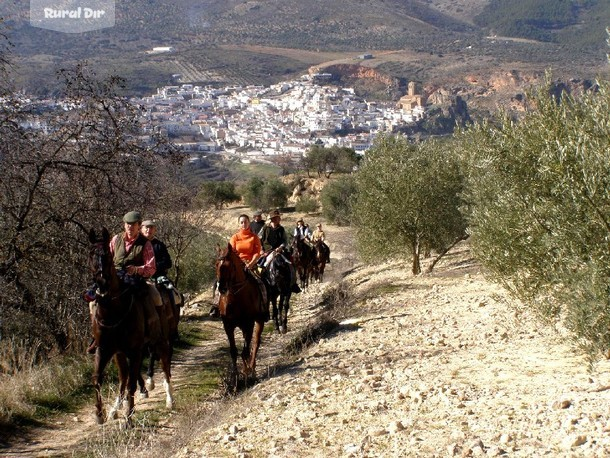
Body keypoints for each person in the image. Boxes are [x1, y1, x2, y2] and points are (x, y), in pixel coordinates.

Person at [88, 211, 162, 354]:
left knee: (155, 297)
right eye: (128, 224)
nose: (130, 227)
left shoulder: (145, 244)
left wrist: (136, 269)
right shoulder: (116, 239)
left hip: (135, 279)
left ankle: (154, 333)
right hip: (114, 278)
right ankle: (96, 337)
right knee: (93, 301)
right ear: (124, 225)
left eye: (133, 225)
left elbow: (151, 268)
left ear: (139, 226)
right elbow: (107, 258)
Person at [141, 219, 182, 309]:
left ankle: (172, 316)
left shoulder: (159, 245)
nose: (149, 230)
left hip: (158, 276)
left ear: (155, 230)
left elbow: (168, 262)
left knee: (173, 294)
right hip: (139, 277)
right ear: (141, 229)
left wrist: (153, 267)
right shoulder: (137, 245)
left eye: (151, 228)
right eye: (146, 227)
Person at [259, 209, 301, 293]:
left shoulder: (281, 229)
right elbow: (258, 238)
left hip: (279, 250)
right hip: (267, 250)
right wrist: (260, 249)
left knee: (290, 262)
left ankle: (293, 283)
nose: (279, 219)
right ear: (272, 219)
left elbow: (284, 241)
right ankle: (260, 284)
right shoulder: (265, 228)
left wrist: (281, 247)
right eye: (277, 218)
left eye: (278, 217)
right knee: (259, 265)